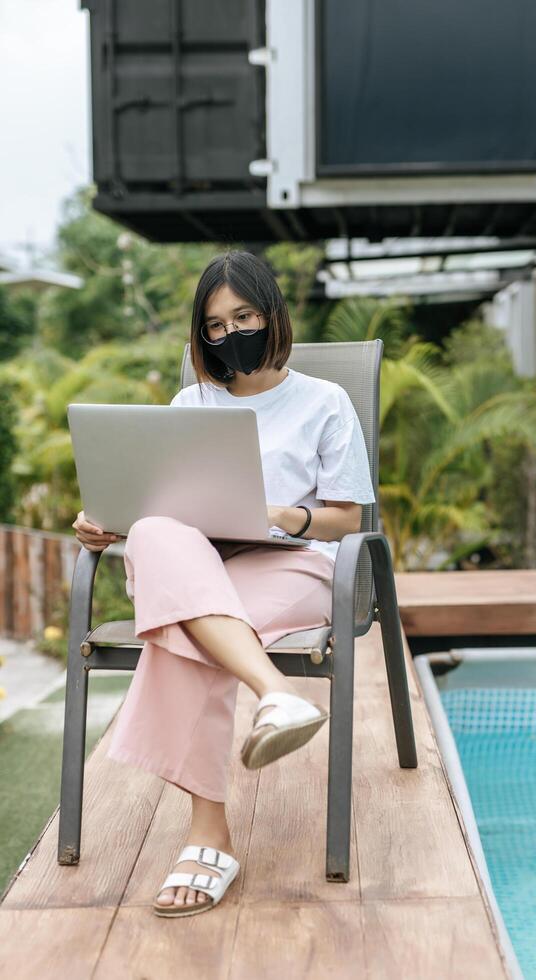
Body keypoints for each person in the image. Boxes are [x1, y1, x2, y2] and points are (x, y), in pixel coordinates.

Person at [72, 249, 376, 918]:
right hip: (202, 560)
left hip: (292, 562)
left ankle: (208, 835)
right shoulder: (193, 401)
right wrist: (103, 517)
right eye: (214, 325)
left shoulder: (325, 401)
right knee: (152, 532)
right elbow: (160, 497)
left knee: (184, 630)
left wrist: (277, 512)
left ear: (272, 315)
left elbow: (349, 519)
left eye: (243, 316)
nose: (229, 334)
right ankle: (275, 691)